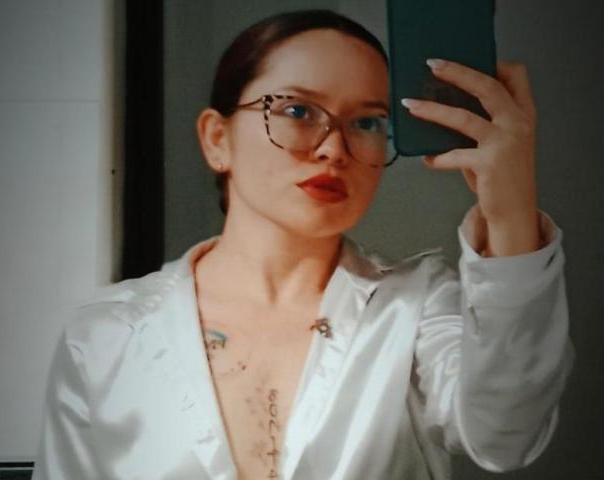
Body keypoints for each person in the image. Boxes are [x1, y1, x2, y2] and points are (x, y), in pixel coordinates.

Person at [32, 9, 574, 480]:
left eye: (367, 122)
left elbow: (505, 435)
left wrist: (511, 212)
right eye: (297, 111)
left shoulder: (416, 307)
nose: (334, 148)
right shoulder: (106, 336)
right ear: (218, 139)